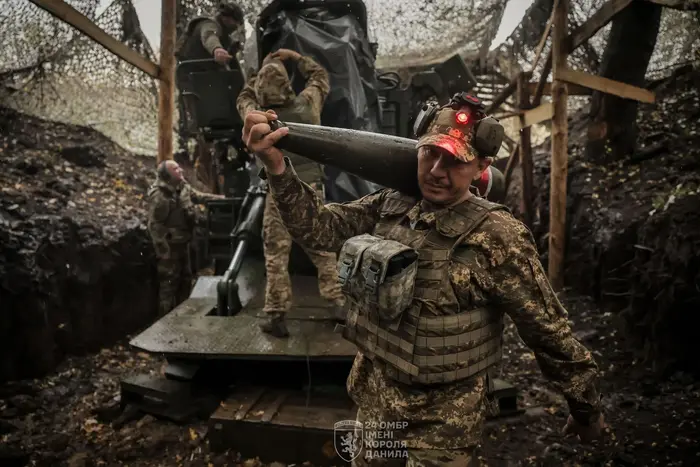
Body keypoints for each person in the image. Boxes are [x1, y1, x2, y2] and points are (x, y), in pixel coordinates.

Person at [241, 102, 606, 465]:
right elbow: (319, 229)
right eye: (429, 153)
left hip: (442, 426)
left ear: (481, 166)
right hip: (376, 409)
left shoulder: (499, 236)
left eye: (455, 161)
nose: (436, 171)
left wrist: (585, 407)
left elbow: (547, 330)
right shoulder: (393, 204)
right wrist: (277, 167)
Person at [237, 48, 344, 338]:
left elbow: (243, 98)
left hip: (278, 194)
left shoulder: (258, 119)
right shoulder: (307, 106)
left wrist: (257, 75)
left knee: (276, 252)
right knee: (322, 249)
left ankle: (276, 315)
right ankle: (337, 303)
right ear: (287, 84)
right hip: (311, 190)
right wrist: (295, 57)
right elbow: (320, 76)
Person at [147, 160, 225, 317]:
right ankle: (164, 320)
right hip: (170, 248)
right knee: (169, 286)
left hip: (184, 243)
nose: (180, 170)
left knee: (186, 279)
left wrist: (221, 199)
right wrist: (163, 251)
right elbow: (154, 225)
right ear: (167, 176)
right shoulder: (160, 196)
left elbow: (198, 196)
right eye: (175, 169)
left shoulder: (182, 187)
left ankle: (181, 315)